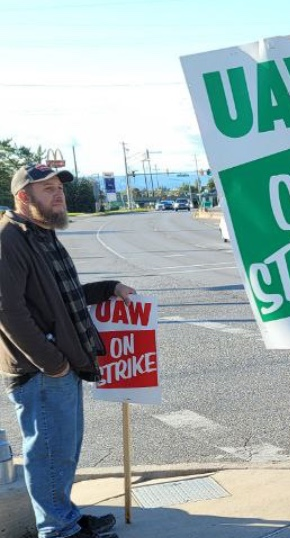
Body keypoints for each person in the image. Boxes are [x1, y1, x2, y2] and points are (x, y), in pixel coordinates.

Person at [0, 163, 137, 538]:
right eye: (47, 189)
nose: (58, 193)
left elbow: (62, 296)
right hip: (41, 370)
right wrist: (53, 363)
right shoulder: (9, 238)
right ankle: (57, 529)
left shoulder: (41, 234)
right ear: (23, 197)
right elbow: (6, 309)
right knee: (48, 455)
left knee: (61, 454)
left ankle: (65, 517)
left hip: (60, 365)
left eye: (58, 187)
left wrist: (110, 287)